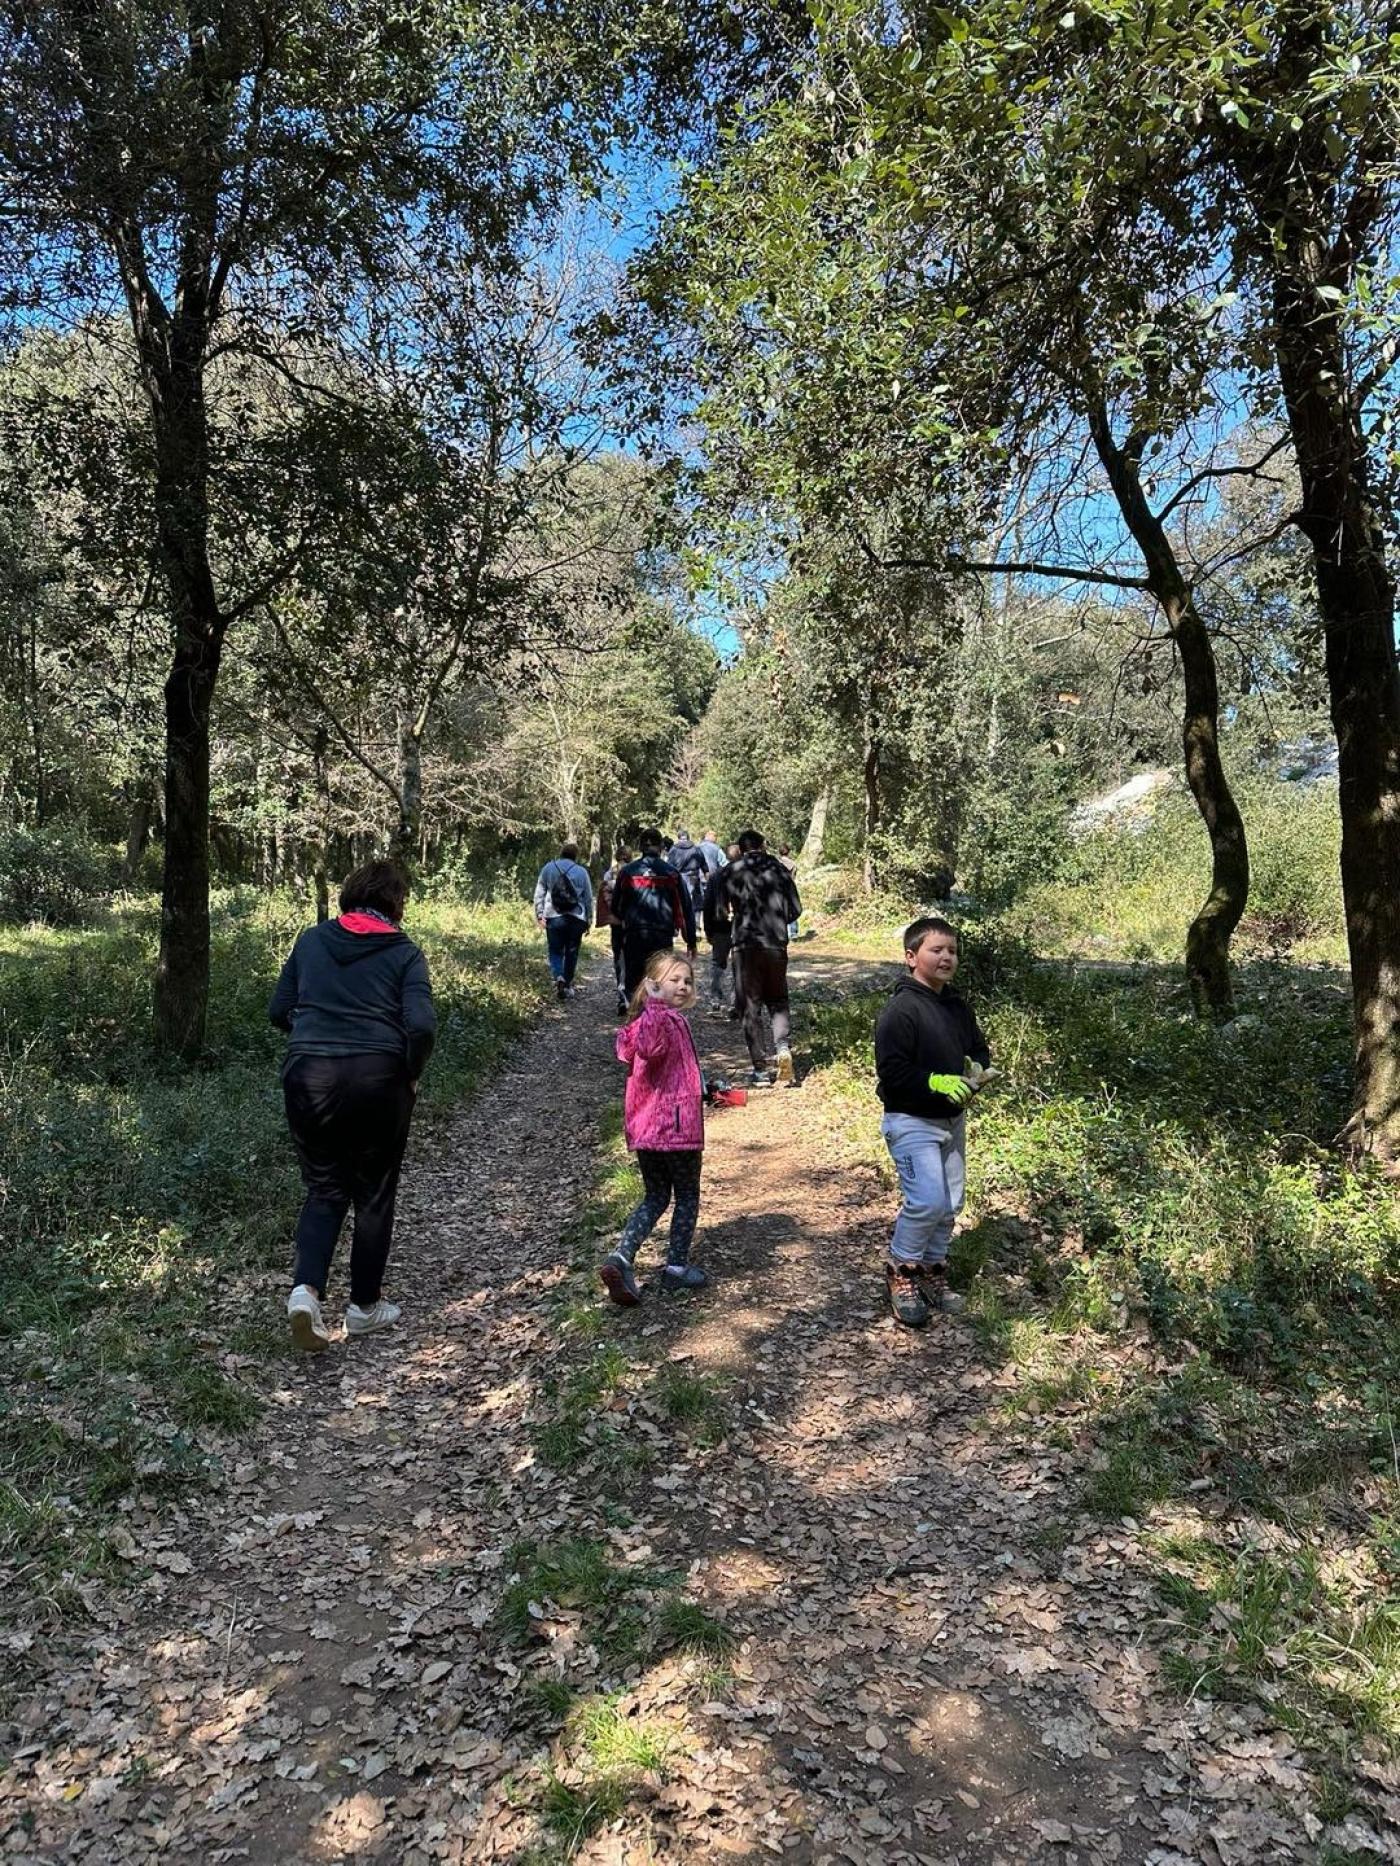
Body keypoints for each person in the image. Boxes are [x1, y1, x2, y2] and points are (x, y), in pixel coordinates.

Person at [270, 859, 437, 1352]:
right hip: (378, 1080)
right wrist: (410, 1072)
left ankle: (305, 1291)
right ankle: (364, 1307)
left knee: (324, 1188)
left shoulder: (310, 940)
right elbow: (422, 1026)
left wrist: (313, 1034)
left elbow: (278, 1010)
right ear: (396, 903)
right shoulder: (405, 953)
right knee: (372, 1191)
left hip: (308, 1076)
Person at [874, 915, 990, 1329]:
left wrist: (976, 1073)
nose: (946, 957)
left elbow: (978, 1048)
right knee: (927, 1201)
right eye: (935, 950)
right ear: (911, 957)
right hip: (910, 1121)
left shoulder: (958, 1006)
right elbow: (892, 1072)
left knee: (950, 1203)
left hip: (950, 1122)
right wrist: (936, 1082)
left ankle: (933, 1271)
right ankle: (902, 1272)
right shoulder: (900, 1010)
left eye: (952, 950)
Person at [600, 950, 708, 1304]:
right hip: (674, 1130)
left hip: (648, 1129)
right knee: (687, 1193)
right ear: (652, 986)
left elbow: (669, 1066)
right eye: (673, 980)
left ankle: (622, 1257)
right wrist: (657, 1006)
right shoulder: (657, 1021)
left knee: (656, 1195)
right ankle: (676, 1267)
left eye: (687, 981)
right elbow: (649, 1047)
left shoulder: (654, 1023)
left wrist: (705, 1088)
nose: (682, 986)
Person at [708, 828, 801, 1088]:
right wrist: (778, 920)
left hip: (745, 944)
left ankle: (760, 1070)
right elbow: (796, 909)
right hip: (775, 942)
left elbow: (718, 912)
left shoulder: (730, 871)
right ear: (763, 845)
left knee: (750, 1005)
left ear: (741, 847)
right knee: (778, 999)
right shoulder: (780, 869)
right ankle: (783, 1049)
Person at [610, 828, 698, 997]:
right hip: (662, 935)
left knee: (634, 982)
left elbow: (616, 907)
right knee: (661, 979)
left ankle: (637, 1018)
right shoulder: (672, 873)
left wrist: (621, 933)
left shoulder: (627, 873)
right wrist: (691, 941)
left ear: (640, 846)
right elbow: (686, 908)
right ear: (661, 847)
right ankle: (656, 1019)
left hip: (634, 935)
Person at [533, 841, 593, 1001]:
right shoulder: (582, 872)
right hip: (576, 918)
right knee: (572, 952)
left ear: (561, 853)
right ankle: (567, 984)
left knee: (555, 950)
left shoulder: (548, 868)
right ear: (576, 856)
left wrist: (539, 914)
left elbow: (539, 892)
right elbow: (588, 898)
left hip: (553, 916)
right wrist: (589, 919)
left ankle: (558, 975)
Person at [597, 844, 632, 1017]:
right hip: (632, 923)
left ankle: (621, 996)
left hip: (615, 923)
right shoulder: (634, 871)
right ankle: (633, 996)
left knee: (619, 960)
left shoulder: (609, 874)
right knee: (633, 959)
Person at [669, 827, 711, 918]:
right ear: (688, 838)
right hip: (694, 877)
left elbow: (669, 867)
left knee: (679, 900)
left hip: (679, 878)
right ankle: (696, 924)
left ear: (678, 838)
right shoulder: (696, 849)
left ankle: (680, 922)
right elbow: (704, 866)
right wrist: (708, 880)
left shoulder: (674, 850)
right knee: (697, 901)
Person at [778, 844, 801, 942]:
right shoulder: (793, 864)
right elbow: (793, 876)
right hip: (790, 888)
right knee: (792, 909)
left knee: (780, 910)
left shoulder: (776, 863)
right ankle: (793, 933)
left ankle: (782, 932)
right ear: (789, 852)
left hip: (778, 889)